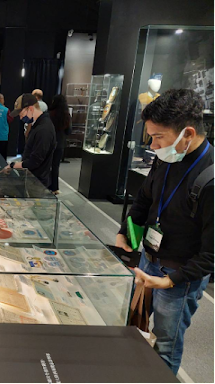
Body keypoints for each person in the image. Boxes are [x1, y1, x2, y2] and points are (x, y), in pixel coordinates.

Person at [115, 89, 213, 375]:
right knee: (135, 326)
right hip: (149, 261)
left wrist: (170, 282)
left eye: (158, 137)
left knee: (166, 346)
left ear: (187, 133)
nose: (153, 145)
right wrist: (127, 230)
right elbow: (145, 199)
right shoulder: (166, 157)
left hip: (180, 277)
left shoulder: (211, 180)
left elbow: (212, 255)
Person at [3, 93, 56, 188]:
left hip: (37, 182)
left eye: (21, 114)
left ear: (30, 109)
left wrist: (13, 165)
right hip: (32, 179)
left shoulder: (44, 129)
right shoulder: (38, 125)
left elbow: (34, 161)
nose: (20, 118)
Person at [48, 94, 72, 194]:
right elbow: (69, 131)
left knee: (47, 165)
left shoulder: (50, 114)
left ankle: (46, 185)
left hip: (50, 143)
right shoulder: (67, 116)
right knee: (55, 166)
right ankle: (55, 188)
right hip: (60, 143)